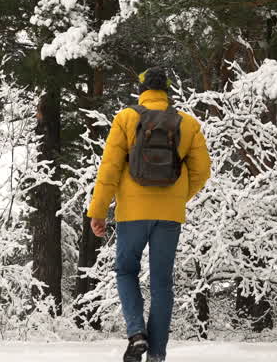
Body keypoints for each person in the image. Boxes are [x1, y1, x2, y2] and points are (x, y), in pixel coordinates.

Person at [87, 67, 212, 362]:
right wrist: (178, 197)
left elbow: (109, 169)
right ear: (167, 91)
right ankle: (157, 353)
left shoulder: (127, 118)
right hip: (169, 216)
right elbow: (202, 170)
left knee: (125, 271)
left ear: (141, 89)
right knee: (161, 282)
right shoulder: (188, 124)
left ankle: (137, 334)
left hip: (132, 212)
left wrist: (99, 211)